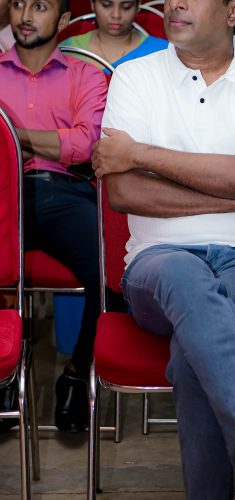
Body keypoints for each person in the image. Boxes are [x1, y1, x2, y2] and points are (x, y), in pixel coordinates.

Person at [90, 0, 235, 497]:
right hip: (157, 264)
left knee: (196, 353)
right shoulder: (134, 77)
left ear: (234, 11)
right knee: (185, 276)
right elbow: (124, 192)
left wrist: (140, 154)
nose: (175, 3)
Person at [0, 0, 107, 432]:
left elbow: (85, 144)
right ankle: (4, 372)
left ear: (63, 20)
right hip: (4, 192)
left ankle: (78, 374)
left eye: (40, 6)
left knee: (111, 271)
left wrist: (11, 135)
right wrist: (48, 140)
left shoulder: (86, 75)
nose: (26, 15)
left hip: (66, 191)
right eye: (19, 4)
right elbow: (68, 140)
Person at [59, 0, 168, 72]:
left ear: (138, 6)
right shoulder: (69, 49)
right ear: (92, 4)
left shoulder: (162, 52)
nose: (116, 15)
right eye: (106, 5)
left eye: (126, 7)